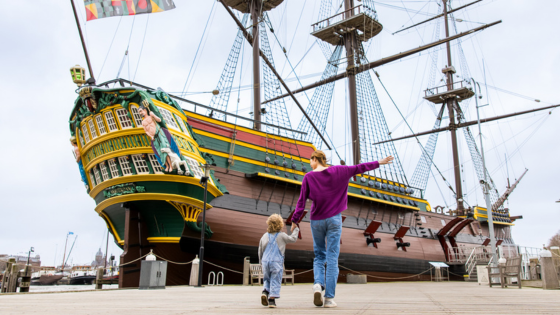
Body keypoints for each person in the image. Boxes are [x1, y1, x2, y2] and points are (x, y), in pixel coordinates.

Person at [290, 150, 394, 308]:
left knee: (319, 255)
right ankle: (329, 299)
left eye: (310, 160)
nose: (309, 163)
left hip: (316, 220)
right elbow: (360, 167)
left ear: (315, 159)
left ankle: (318, 284)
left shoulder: (309, 177)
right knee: (332, 258)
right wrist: (379, 162)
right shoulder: (340, 170)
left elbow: (301, 202)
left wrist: (295, 220)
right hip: (334, 219)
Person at [258, 213, 299, 308]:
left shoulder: (264, 236)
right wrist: (296, 229)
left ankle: (265, 292)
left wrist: (261, 262)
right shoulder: (282, 236)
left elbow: (260, 250)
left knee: (267, 279)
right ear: (280, 225)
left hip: (265, 262)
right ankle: (271, 300)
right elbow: (292, 239)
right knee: (275, 279)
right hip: (276, 262)